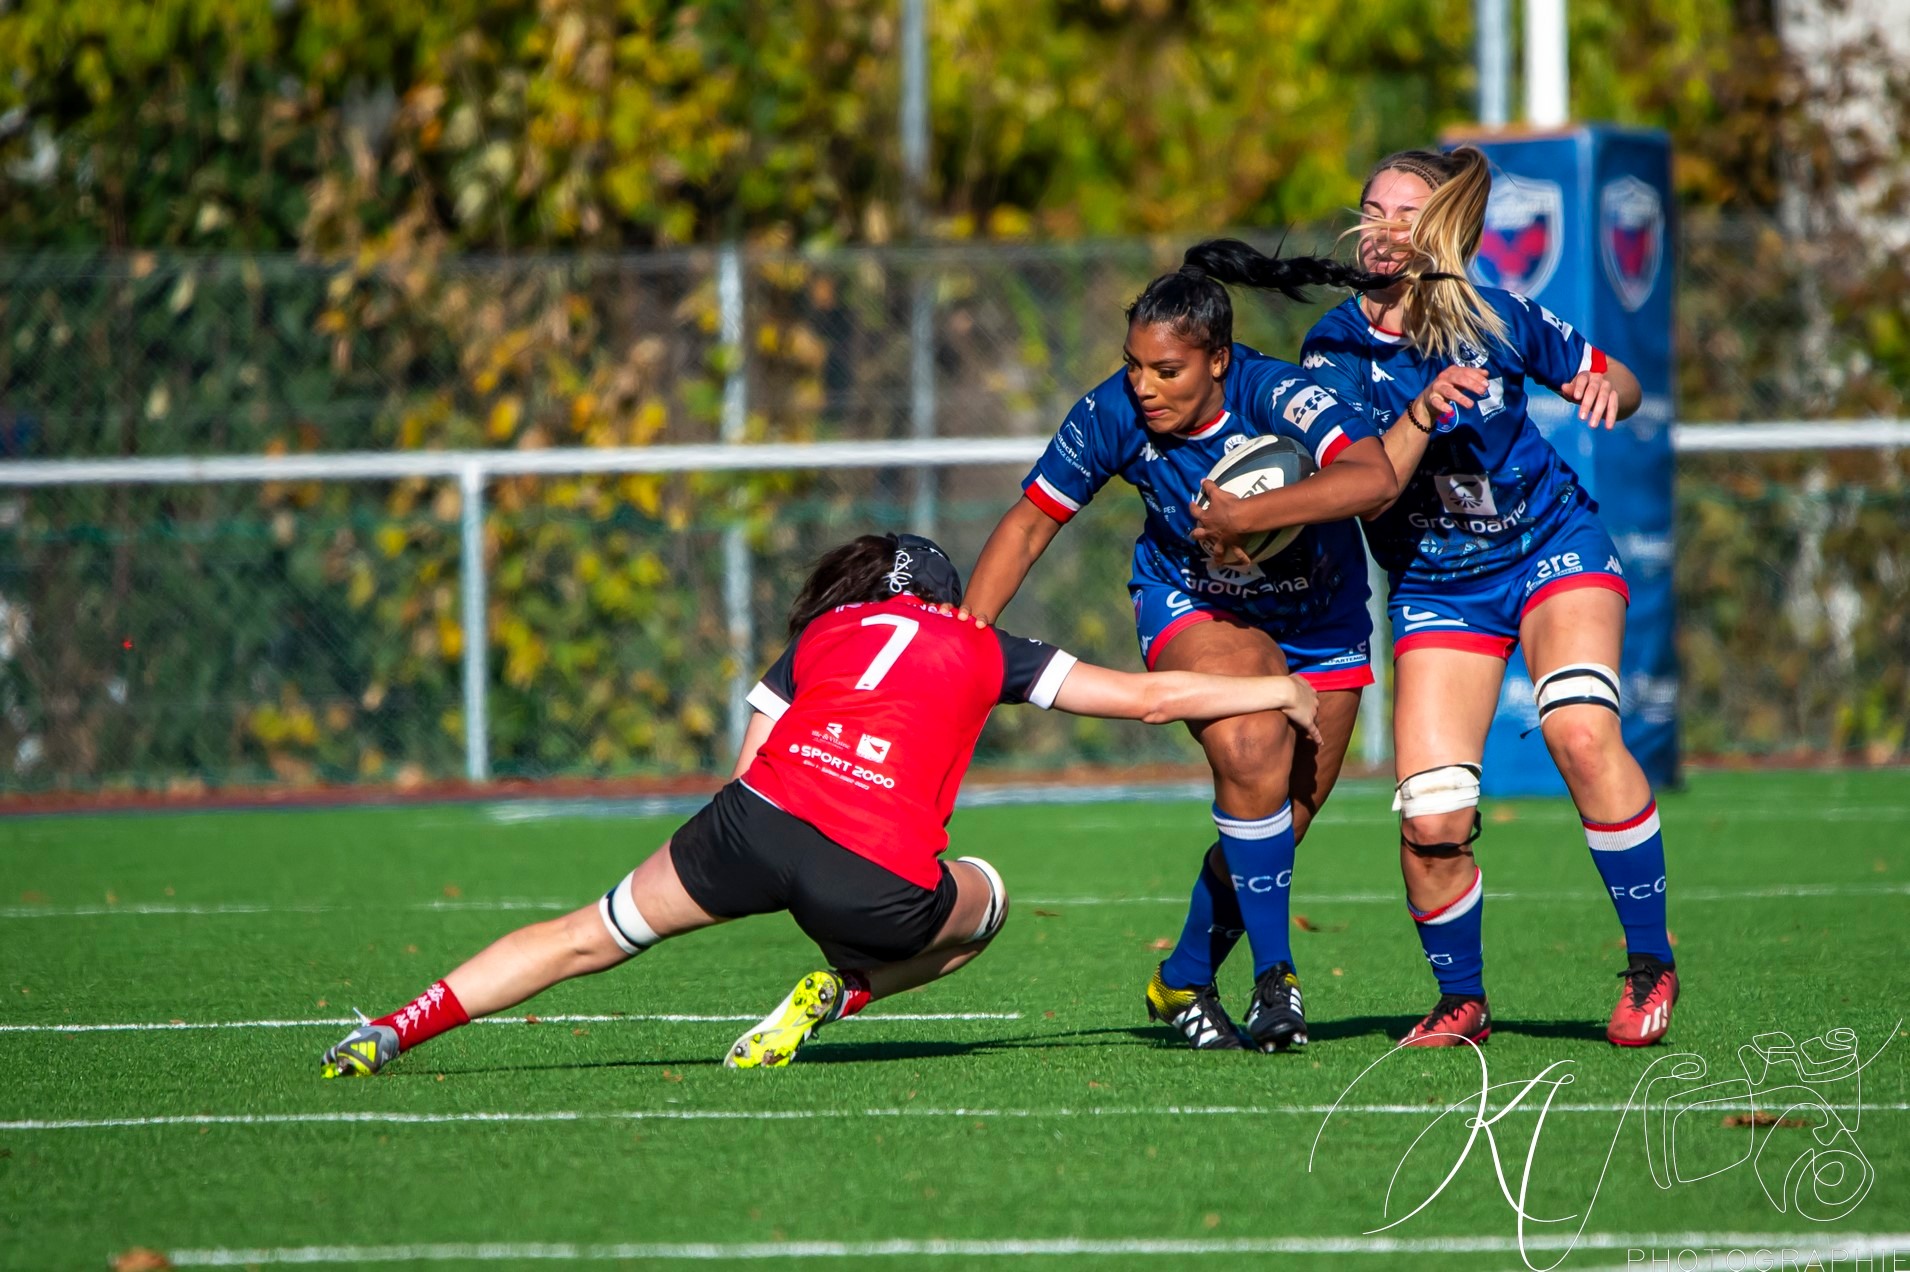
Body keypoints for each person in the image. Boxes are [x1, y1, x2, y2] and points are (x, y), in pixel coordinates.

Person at [320, 532, 1324, 1077]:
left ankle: (392, 1030)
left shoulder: (824, 634)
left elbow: (749, 760)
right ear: (942, 599)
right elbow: (1148, 700)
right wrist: (1275, 689)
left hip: (749, 825)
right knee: (985, 900)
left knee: (587, 933)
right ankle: (843, 993)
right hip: (872, 874)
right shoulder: (983, 644)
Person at [1187, 146, 1680, 1049]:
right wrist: (1421, 413)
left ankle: (1650, 962)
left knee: (1579, 731)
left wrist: (1605, 386)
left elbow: (1626, 381)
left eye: (1406, 213)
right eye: (1372, 209)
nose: (1382, 228)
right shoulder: (1334, 348)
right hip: (1438, 586)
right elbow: (1364, 490)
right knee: (1433, 815)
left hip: (1551, 548)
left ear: (1444, 226)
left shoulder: (1496, 316)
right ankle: (1463, 999)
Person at [963, 260, 1398, 1053]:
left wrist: (1250, 516)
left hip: (1321, 614)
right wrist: (964, 637)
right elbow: (1029, 524)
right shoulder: (1111, 413)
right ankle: (1277, 980)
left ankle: (1184, 979)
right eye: (1134, 365)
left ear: (1219, 360)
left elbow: (1373, 477)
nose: (1144, 386)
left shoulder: (1279, 395)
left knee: (1281, 821)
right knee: (1251, 743)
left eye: (1167, 370)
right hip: (1194, 603)